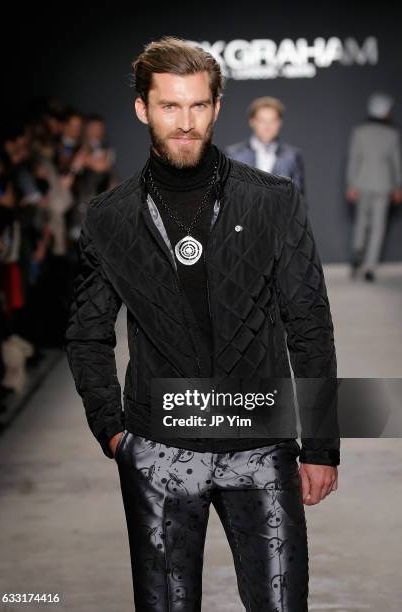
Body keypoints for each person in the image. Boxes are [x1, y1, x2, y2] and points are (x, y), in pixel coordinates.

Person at [65, 36, 339, 611]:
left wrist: (319, 445)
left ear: (215, 107)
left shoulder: (273, 200)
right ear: (143, 108)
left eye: (197, 106)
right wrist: (114, 431)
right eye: (169, 106)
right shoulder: (109, 218)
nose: (185, 122)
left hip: (260, 447)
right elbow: (88, 331)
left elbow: (307, 320)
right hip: (159, 451)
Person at [346, 92, 402, 281]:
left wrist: (351, 184)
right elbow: (396, 164)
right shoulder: (392, 134)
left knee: (361, 222)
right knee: (378, 227)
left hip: (362, 183)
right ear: (386, 113)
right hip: (383, 184)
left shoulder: (359, 132)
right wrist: (397, 187)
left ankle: (357, 255)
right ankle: (369, 267)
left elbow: (354, 160)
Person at [226, 96, 306, 197]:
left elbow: (298, 199)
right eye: (262, 120)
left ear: (279, 123)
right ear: (252, 122)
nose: (267, 126)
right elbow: (228, 196)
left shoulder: (292, 156)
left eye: (273, 121)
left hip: (280, 212)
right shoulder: (234, 154)